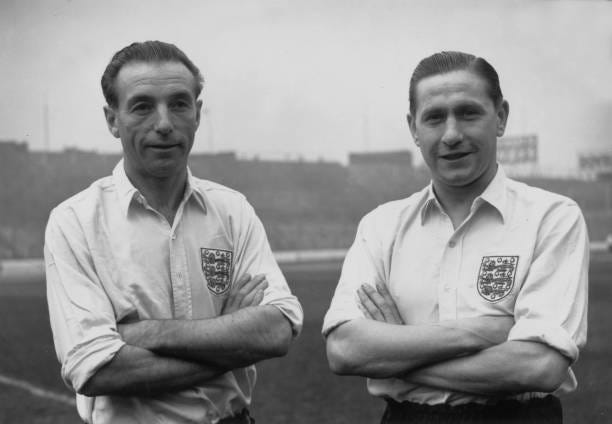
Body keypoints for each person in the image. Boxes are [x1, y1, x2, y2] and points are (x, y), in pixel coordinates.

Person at [44, 40, 303, 424]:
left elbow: (277, 330)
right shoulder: (76, 221)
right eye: (142, 105)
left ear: (197, 114)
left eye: (179, 104)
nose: (164, 124)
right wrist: (231, 339)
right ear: (112, 119)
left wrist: (145, 334)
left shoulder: (232, 210)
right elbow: (97, 368)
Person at [323, 51, 588, 423]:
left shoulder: (552, 217)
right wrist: (479, 333)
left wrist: (397, 355)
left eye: (468, 113)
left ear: (500, 117)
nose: (451, 134)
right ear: (414, 128)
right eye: (434, 117)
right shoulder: (380, 226)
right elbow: (345, 350)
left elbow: (539, 366)